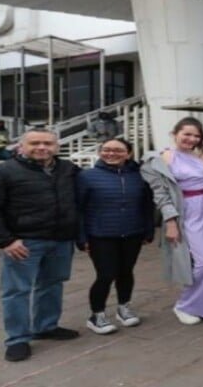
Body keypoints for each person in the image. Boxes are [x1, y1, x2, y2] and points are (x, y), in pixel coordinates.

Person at [0, 127, 81, 362]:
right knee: (16, 291)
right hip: (23, 243)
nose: (42, 147)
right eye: (35, 143)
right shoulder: (1, 172)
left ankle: (46, 326)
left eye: (48, 143)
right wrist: (5, 241)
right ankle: (17, 339)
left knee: (52, 285)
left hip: (61, 240)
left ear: (56, 147)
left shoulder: (68, 170)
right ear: (21, 146)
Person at [140, 117, 203, 325]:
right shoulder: (162, 158)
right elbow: (161, 194)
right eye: (187, 134)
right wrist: (171, 222)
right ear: (175, 134)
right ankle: (185, 304)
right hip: (190, 211)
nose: (191, 139)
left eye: (196, 135)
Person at [76, 138, 155, 335]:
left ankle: (124, 308)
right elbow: (78, 209)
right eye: (106, 150)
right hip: (101, 234)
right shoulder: (87, 176)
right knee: (105, 274)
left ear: (128, 154)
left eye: (118, 150)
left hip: (132, 232)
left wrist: (148, 229)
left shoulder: (139, 176)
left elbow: (147, 206)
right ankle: (97, 314)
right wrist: (81, 237)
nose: (111, 154)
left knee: (126, 272)